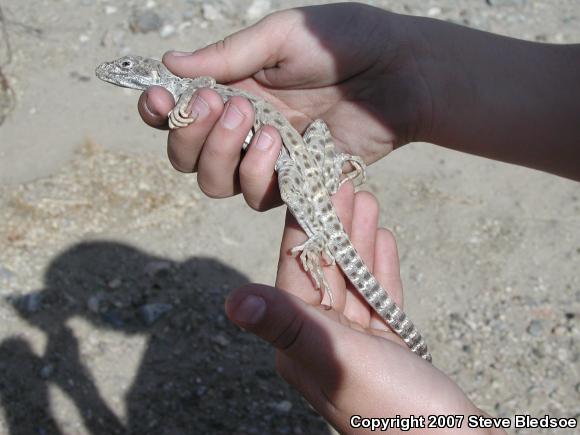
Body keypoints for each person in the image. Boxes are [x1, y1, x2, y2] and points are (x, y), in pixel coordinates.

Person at [136, 3, 579, 433]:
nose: (122, 76)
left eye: (127, 71)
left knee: (293, 187)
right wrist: (408, 71)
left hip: (301, 167)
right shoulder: (199, 89)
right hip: (304, 155)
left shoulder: (193, 90)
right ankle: (323, 219)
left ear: (147, 75)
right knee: (298, 179)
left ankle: (317, 239)